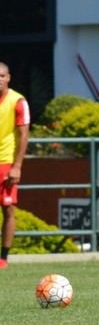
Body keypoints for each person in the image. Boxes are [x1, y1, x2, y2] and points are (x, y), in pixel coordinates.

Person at [0, 62, 30, 268]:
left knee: (8, 209)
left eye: (1, 76)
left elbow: (24, 135)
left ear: (8, 77)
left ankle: (3, 257)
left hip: (6, 162)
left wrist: (17, 166)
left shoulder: (18, 101)